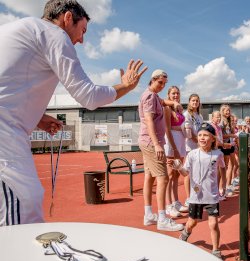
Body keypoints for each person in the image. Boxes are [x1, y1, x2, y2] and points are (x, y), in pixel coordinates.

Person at [0, 0, 147, 226]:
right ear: (68, 18)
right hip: (5, 134)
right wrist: (126, 87)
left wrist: (37, 118)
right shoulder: (53, 33)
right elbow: (89, 97)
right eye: (82, 30)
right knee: (21, 209)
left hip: (8, 128)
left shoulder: (16, 29)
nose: (81, 39)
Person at [139, 69, 184, 232]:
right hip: (152, 142)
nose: (162, 86)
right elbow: (149, 120)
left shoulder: (154, 96)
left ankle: (149, 215)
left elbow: (164, 101)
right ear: (152, 80)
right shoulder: (150, 96)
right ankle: (162, 218)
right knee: (163, 178)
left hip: (146, 141)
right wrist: (158, 144)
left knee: (149, 177)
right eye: (160, 83)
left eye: (164, 83)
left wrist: (174, 103)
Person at [174, 123, 226, 260]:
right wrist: (179, 167)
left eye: (206, 135)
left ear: (213, 138)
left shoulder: (218, 154)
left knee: (213, 223)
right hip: (196, 197)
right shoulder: (191, 154)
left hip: (212, 196)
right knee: (192, 222)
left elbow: (222, 169)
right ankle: (186, 232)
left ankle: (216, 250)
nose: (202, 138)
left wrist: (223, 185)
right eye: (200, 135)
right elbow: (186, 174)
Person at [163, 86, 188, 217]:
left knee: (177, 174)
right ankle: (168, 205)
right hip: (170, 143)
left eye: (177, 93)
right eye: (173, 93)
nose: (176, 95)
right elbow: (167, 129)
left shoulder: (179, 109)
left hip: (181, 141)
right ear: (168, 95)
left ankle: (176, 202)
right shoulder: (167, 108)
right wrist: (174, 148)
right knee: (169, 175)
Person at [183, 94, 203, 206]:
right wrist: (200, 143)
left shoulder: (199, 116)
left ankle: (196, 196)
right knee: (188, 173)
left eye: (197, 101)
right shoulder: (186, 115)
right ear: (189, 102)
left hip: (199, 148)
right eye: (193, 100)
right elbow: (189, 133)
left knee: (197, 174)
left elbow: (201, 132)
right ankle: (188, 198)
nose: (195, 102)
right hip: (189, 147)